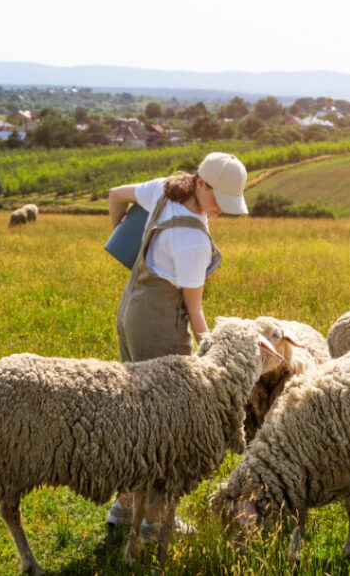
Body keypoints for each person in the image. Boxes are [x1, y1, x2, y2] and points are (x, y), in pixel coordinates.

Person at [105, 151, 249, 535]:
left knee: (137, 412)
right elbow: (194, 308)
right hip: (159, 327)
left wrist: (127, 243)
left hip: (131, 311)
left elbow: (116, 195)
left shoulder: (164, 190)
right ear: (201, 183)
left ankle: (124, 505)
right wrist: (212, 356)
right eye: (218, 198)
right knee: (164, 425)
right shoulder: (192, 241)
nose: (222, 209)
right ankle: (155, 518)